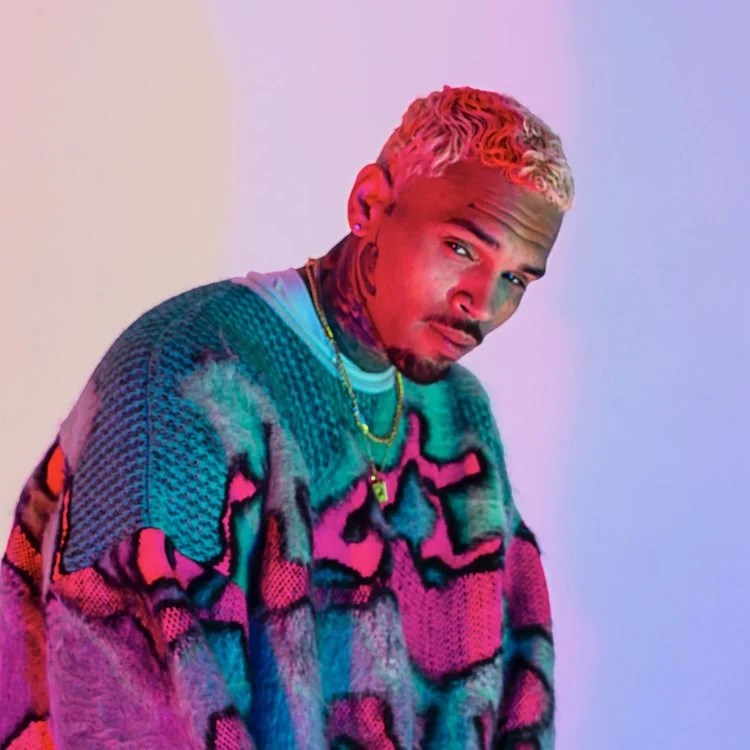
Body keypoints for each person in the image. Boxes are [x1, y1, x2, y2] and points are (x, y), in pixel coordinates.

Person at [0, 86, 574, 749]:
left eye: (516, 279)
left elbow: (512, 684)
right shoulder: (187, 381)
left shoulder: (456, 413)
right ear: (369, 205)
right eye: (462, 248)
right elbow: (121, 707)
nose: (484, 303)